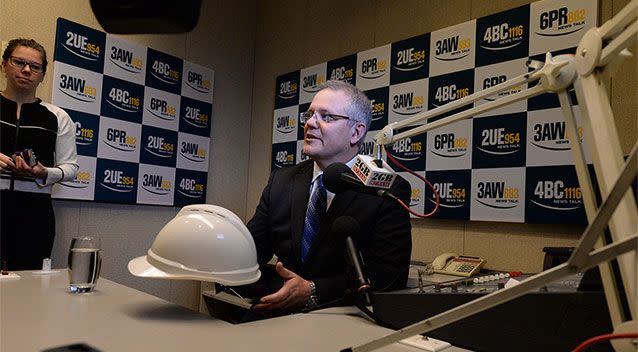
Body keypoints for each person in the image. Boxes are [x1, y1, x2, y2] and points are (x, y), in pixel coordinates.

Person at [246, 80, 412, 313]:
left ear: (356, 132)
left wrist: (313, 289)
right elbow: (252, 250)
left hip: (341, 316)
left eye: (327, 117)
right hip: (274, 310)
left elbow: (388, 275)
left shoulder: (385, 190)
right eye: (310, 114)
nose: (311, 123)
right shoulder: (281, 181)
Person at [0, 38, 78, 271]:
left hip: (34, 215)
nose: (26, 70)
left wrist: (44, 172)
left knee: (29, 290)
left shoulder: (58, 116)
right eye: (19, 62)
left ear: (43, 75)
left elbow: (71, 168)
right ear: (4, 65)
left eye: (35, 66)